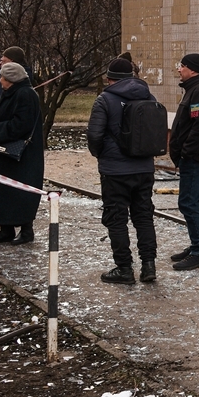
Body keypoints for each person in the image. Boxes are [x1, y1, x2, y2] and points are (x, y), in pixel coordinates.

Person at [86, 58, 159, 284]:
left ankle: (124, 269)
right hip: (144, 168)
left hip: (115, 171)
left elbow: (95, 135)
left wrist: (102, 155)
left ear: (109, 79)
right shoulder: (149, 96)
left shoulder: (104, 100)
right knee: (144, 217)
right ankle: (149, 266)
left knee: (116, 219)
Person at [169, 53, 199, 271]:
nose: (179, 69)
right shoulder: (193, 90)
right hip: (193, 157)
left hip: (196, 158)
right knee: (196, 201)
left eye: (182, 66)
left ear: (193, 69)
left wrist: (186, 152)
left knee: (187, 202)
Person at [0, 62, 44, 245]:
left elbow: (20, 125)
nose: (0, 80)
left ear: (11, 79)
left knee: (21, 193)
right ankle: (6, 229)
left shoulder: (25, 95)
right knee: (5, 193)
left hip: (23, 156)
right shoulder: (13, 93)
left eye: (2, 77)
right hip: (8, 154)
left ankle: (26, 230)